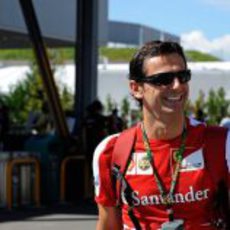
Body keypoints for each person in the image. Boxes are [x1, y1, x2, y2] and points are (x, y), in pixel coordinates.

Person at [92, 40, 230, 230]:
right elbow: (108, 226)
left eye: (183, 76)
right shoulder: (111, 150)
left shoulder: (222, 144)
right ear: (136, 88)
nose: (177, 86)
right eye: (163, 79)